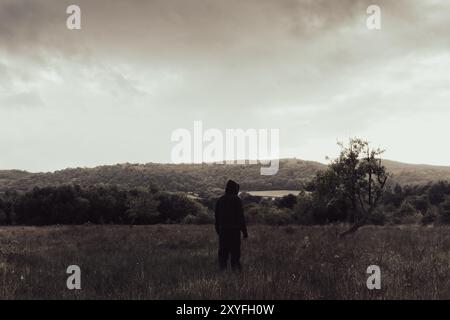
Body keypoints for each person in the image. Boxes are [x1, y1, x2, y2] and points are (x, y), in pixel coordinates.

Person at [215, 179, 248, 271]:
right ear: (234, 189)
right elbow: (241, 217)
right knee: (235, 255)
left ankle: (223, 274)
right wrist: (245, 233)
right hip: (234, 232)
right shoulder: (236, 200)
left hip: (223, 232)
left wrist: (219, 231)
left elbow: (216, 218)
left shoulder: (220, 200)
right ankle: (236, 275)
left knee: (223, 255)